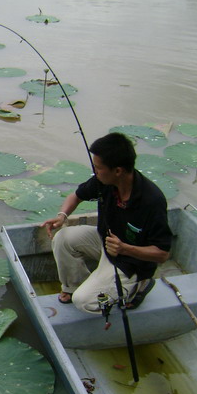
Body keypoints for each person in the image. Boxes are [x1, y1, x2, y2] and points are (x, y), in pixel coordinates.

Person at [41, 132, 172, 313]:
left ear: (118, 170)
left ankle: (137, 286)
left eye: (98, 167)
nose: (95, 171)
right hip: (106, 242)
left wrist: (124, 249)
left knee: (84, 302)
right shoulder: (104, 182)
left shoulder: (151, 201)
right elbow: (76, 196)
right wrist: (62, 215)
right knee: (63, 237)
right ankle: (74, 287)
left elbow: (162, 254)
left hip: (131, 261)